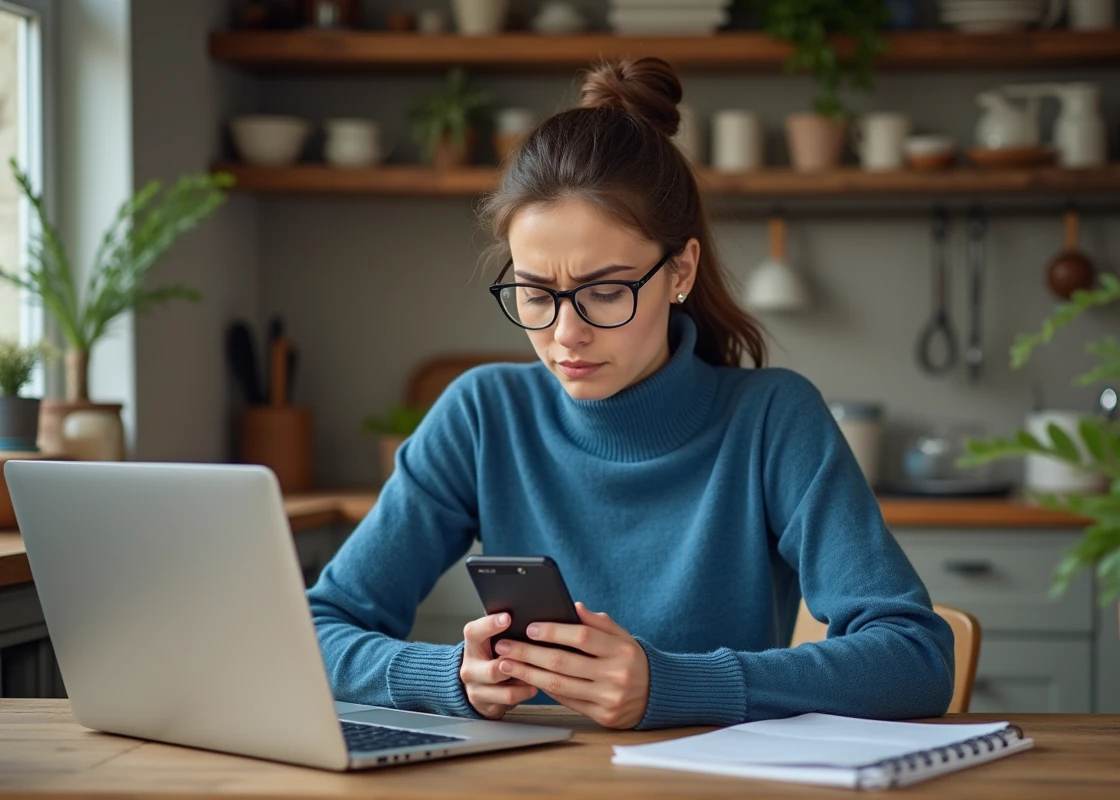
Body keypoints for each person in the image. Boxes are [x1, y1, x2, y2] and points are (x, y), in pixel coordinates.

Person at [307, 57, 954, 731]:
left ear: (680, 271)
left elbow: (916, 658)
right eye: (535, 294)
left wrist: (671, 685)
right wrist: (450, 677)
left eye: (607, 291)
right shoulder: (482, 414)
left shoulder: (772, 419)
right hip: (531, 777)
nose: (566, 334)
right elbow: (316, 628)